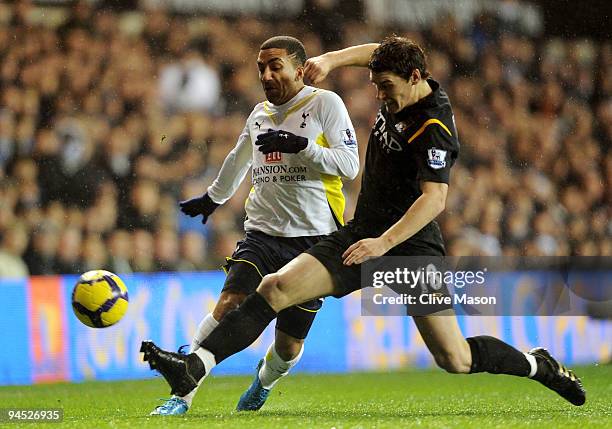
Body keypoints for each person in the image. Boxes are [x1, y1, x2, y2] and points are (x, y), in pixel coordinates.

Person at [141, 37, 585, 408]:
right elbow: (381, 49)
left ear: (414, 79)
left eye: (385, 86)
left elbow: (435, 201)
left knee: (455, 358)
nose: (379, 95)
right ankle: (192, 369)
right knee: (274, 288)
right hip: (360, 232)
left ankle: (536, 364)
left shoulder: (434, 126)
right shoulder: (404, 76)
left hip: (409, 245)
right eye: (375, 84)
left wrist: (382, 245)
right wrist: (333, 59)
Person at [149, 35, 359, 415]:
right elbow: (238, 158)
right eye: (261, 67)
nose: (265, 73)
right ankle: (182, 392)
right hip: (262, 234)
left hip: (314, 243)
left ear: (299, 68)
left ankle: (264, 381)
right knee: (229, 303)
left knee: (288, 345)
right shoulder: (259, 113)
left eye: (275, 65)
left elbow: (349, 166)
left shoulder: (325, 104)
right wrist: (213, 197)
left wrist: (303, 147)